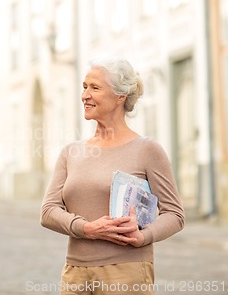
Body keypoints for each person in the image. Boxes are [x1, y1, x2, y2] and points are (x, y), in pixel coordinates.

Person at [40, 56, 184, 295]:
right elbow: (47, 212)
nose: (85, 95)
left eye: (95, 88)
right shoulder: (71, 152)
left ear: (120, 97)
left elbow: (175, 215)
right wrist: (86, 229)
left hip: (126, 272)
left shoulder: (147, 149)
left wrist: (144, 236)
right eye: (84, 87)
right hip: (75, 273)